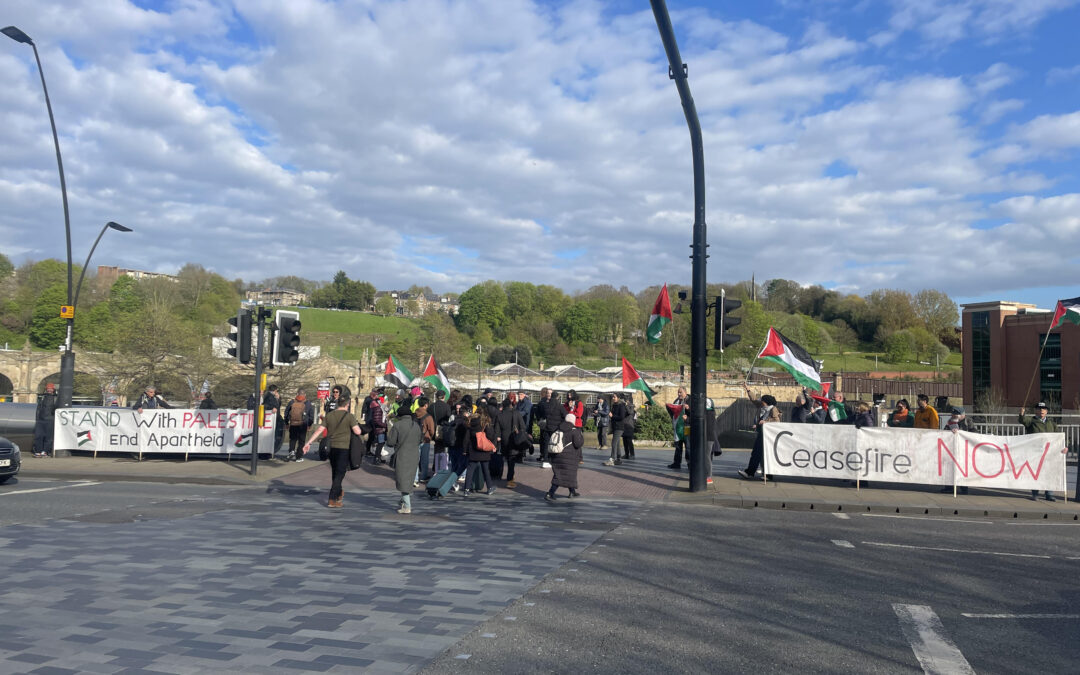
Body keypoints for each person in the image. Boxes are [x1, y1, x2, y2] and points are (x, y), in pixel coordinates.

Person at [302, 395, 363, 508]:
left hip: (332, 448)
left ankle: (338, 493)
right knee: (340, 473)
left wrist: (309, 443)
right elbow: (358, 431)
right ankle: (332, 498)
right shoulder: (349, 416)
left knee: (335, 471)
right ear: (347, 404)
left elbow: (320, 430)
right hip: (344, 448)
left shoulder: (329, 415)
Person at [386, 400, 422, 514]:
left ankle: (407, 506)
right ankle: (403, 500)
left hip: (402, 454)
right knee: (408, 479)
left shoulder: (397, 425)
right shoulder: (416, 425)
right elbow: (419, 440)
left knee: (402, 480)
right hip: (415, 454)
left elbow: (391, 442)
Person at [738, 385, 781, 479]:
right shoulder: (761, 406)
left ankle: (750, 472)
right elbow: (753, 399)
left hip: (767, 435)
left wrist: (766, 422)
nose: (760, 401)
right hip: (761, 433)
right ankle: (767, 475)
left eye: (762, 400)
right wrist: (748, 389)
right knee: (762, 454)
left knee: (756, 453)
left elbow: (777, 421)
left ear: (766, 402)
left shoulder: (773, 409)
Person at [1018, 402, 1058, 502]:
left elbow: (1059, 436)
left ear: (1047, 411)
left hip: (1049, 453)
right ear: (1036, 411)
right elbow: (1022, 420)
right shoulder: (1031, 421)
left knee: (1049, 473)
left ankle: (1049, 494)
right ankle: (1035, 493)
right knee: (1036, 472)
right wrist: (1022, 414)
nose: (1041, 411)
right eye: (1039, 409)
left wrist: (1065, 445)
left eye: (1043, 409)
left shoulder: (1051, 423)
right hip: (1035, 452)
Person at [545, 413, 584, 501]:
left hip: (557, 456)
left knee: (563, 474)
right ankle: (550, 493)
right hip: (569, 457)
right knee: (563, 476)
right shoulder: (574, 431)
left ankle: (572, 492)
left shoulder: (559, 428)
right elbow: (578, 444)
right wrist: (581, 437)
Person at [463, 408, 497, 497]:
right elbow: (490, 435)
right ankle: (489, 487)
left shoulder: (470, 422)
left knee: (470, 469)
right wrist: (493, 444)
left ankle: (466, 489)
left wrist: (465, 450)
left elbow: (466, 438)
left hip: (473, 449)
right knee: (485, 469)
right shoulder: (485, 423)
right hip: (483, 450)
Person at [496, 397, 525, 488]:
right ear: (510, 405)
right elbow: (523, 426)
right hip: (515, 438)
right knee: (511, 459)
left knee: (507, 458)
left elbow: (497, 429)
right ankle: (510, 478)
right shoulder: (516, 413)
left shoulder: (500, 415)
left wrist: (498, 437)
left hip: (504, 438)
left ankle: (507, 475)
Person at [285, 389, 315, 462]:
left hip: (293, 423)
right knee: (301, 441)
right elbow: (311, 416)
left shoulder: (292, 402)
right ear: (305, 395)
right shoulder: (308, 403)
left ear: (297, 394)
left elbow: (286, 413)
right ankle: (299, 457)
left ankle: (291, 451)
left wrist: (286, 422)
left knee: (292, 439)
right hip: (303, 424)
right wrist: (309, 424)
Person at [33, 382, 59, 458]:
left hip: (50, 420)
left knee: (48, 437)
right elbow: (38, 408)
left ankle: (45, 451)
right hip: (41, 419)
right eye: (48, 388)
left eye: (51, 388)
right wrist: (37, 418)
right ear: (46, 389)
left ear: (53, 389)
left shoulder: (56, 398)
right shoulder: (42, 397)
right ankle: (38, 451)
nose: (49, 390)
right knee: (38, 436)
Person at [666, 386, 689, 469]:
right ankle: (676, 463)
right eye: (678, 392)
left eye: (681, 392)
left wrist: (688, 409)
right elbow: (673, 412)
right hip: (678, 428)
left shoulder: (689, 400)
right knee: (678, 446)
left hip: (687, 427)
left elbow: (694, 412)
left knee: (688, 446)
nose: (679, 394)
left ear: (685, 392)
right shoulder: (676, 401)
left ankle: (690, 464)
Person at [414, 397, 435, 483]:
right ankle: (423, 476)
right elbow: (432, 430)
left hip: (414, 439)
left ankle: (414, 478)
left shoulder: (414, 414)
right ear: (426, 405)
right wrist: (430, 436)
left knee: (415, 460)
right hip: (425, 440)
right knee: (424, 460)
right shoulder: (428, 416)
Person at [542, 391, 563, 469]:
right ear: (557, 397)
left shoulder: (546, 405)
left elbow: (543, 414)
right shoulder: (559, 405)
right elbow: (565, 415)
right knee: (556, 444)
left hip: (547, 427)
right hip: (556, 428)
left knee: (547, 444)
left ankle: (545, 461)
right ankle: (554, 460)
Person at [263, 384, 284, 453]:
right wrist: (271, 408)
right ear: (275, 390)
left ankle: (271, 451)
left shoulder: (273, 396)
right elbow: (265, 405)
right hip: (271, 418)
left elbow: (278, 406)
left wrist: (278, 399)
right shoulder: (268, 396)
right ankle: (268, 452)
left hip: (275, 417)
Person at [609, 392, 628, 463]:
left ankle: (612, 458)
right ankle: (619, 458)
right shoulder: (614, 405)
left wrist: (612, 416)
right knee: (617, 443)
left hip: (619, 427)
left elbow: (622, 417)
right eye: (613, 397)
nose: (613, 398)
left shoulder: (621, 406)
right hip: (615, 426)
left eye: (614, 397)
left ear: (618, 398)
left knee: (614, 443)